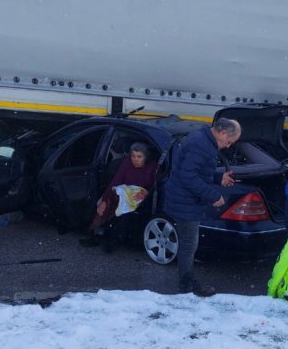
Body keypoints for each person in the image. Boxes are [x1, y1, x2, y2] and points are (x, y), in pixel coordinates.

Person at [164, 118, 241, 296]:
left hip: (186, 199)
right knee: (189, 245)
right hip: (185, 201)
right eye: (229, 141)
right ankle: (186, 286)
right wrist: (213, 195)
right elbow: (188, 176)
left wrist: (217, 178)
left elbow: (196, 170)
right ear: (222, 133)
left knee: (189, 244)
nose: (229, 146)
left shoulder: (203, 139)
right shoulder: (201, 144)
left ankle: (187, 282)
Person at [79, 142, 158, 250]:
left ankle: (113, 238)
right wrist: (105, 200)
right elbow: (115, 182)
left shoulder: (153, 166)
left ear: (146, 157)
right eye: (133, 156)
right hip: (123, 194)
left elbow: (156, 184)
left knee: (127, 212)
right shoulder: (127, 163)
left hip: (141, 199)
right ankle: (95, 234)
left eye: (139, 157)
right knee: (104, 204)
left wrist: (147, 192)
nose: (135, 159)